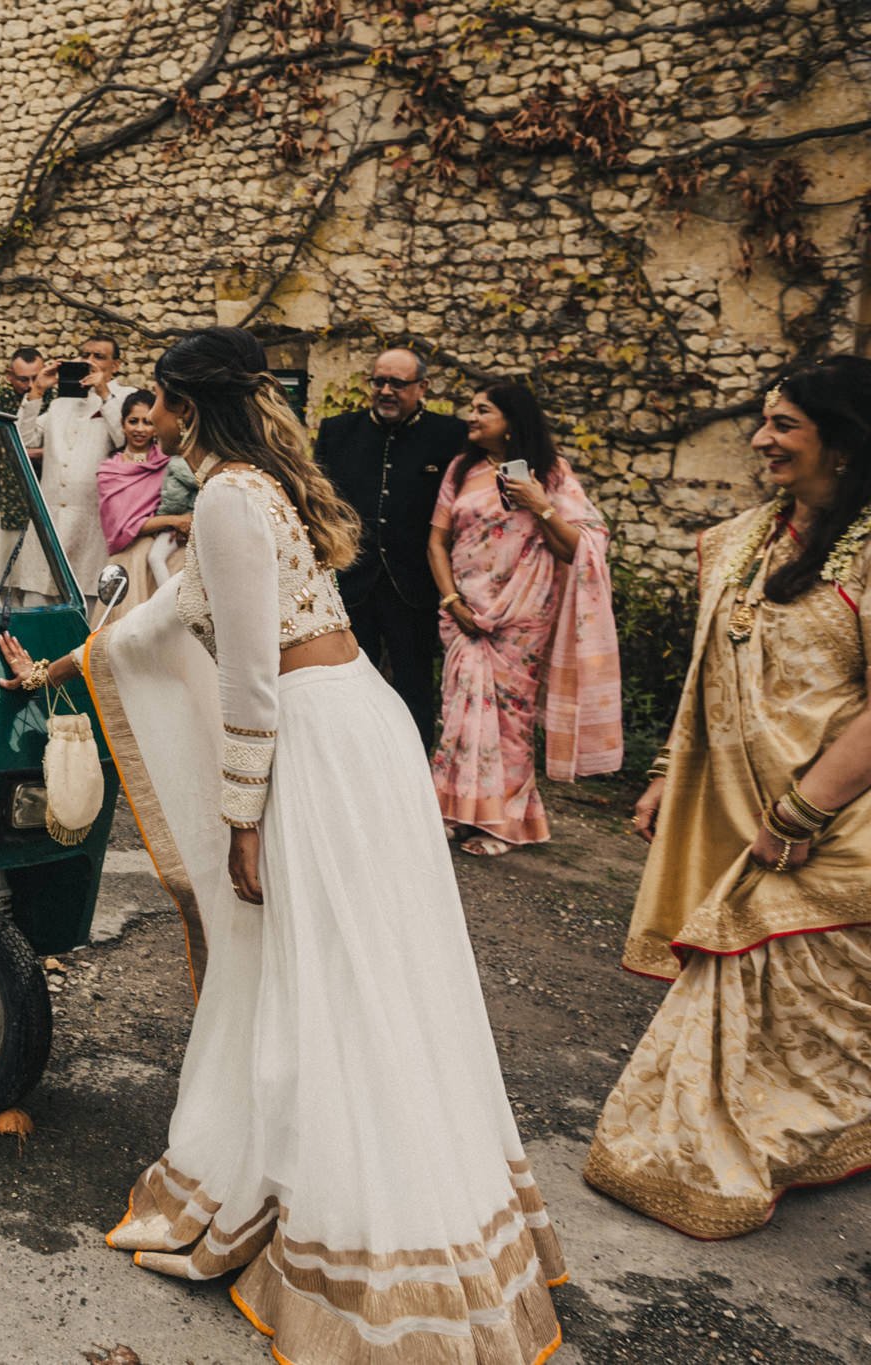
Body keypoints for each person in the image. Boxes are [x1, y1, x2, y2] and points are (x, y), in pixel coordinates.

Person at [0, 327, 565, 1365]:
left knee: (324, 973)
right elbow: (173, 612)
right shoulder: (252, 485)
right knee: (351, 970)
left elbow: (249, 674)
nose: (147, 416)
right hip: (358, 721)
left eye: (155, 403)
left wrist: (242, 820)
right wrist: (67, 664)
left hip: (312, 741)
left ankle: (348, 1227)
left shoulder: (222, 498)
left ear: (177, 406)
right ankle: (337, 1179)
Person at [586, 359, 871, 1239]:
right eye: (763, 420)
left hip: (837, 820)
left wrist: (804, 813)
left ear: (845, 440)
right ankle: (793, 1131)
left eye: (784, 424)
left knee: (789, 987)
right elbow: (712, 667)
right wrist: (672, 767)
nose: (760, 439)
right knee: (772, 1001)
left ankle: (747, 1147)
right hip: (751, 811)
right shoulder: (749, 538)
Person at [428, 382, 622, 855]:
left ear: (512, 420)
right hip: (465, 612)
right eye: (471, 407)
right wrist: (453, 601)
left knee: (511, 724)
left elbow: (582, 548)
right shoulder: (462, 468)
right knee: (457, 714)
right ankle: (456, 812)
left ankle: (505, 824)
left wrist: (540, 503)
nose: (469, 416)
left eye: (482, 409)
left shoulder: (552, 475)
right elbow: (437, 541)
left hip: (521, 618)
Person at [316, 347, 464, 750]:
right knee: (345, 681)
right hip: (351, 585)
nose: (385, 391)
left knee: (414, 685)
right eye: (378, 381)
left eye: (397, 383)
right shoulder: (337, 431)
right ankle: (350, 756)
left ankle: (414, 766)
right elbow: (319, 506)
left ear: (422, 387)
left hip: (414, 587)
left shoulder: (450, 436)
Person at [4, 337, 131, 611]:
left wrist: (104, 392)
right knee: (38, 602)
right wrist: (37, 390)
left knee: (84, 605)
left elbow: (124, 439)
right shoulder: (61, 403)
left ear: (116, 365)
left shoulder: (125, 398)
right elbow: (24, 441)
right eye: (84, 354)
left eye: (98, 356)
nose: (89, 361)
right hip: (52, 520)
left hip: (92, 525)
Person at [94, 390, 191, 612]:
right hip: (129, 562)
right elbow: (122, 526)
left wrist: (183, 521)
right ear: (122, 424)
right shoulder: (110, 471)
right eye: (133, 421)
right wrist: (175, 521)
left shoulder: (172, 463)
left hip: (169, 559)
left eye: (147, 422)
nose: (139, 429)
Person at [0, 345, 44, 416]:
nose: (31, 385)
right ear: (10, 376)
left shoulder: (54, 399)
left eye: (36, 378)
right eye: (23, 380)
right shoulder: (7, 399)